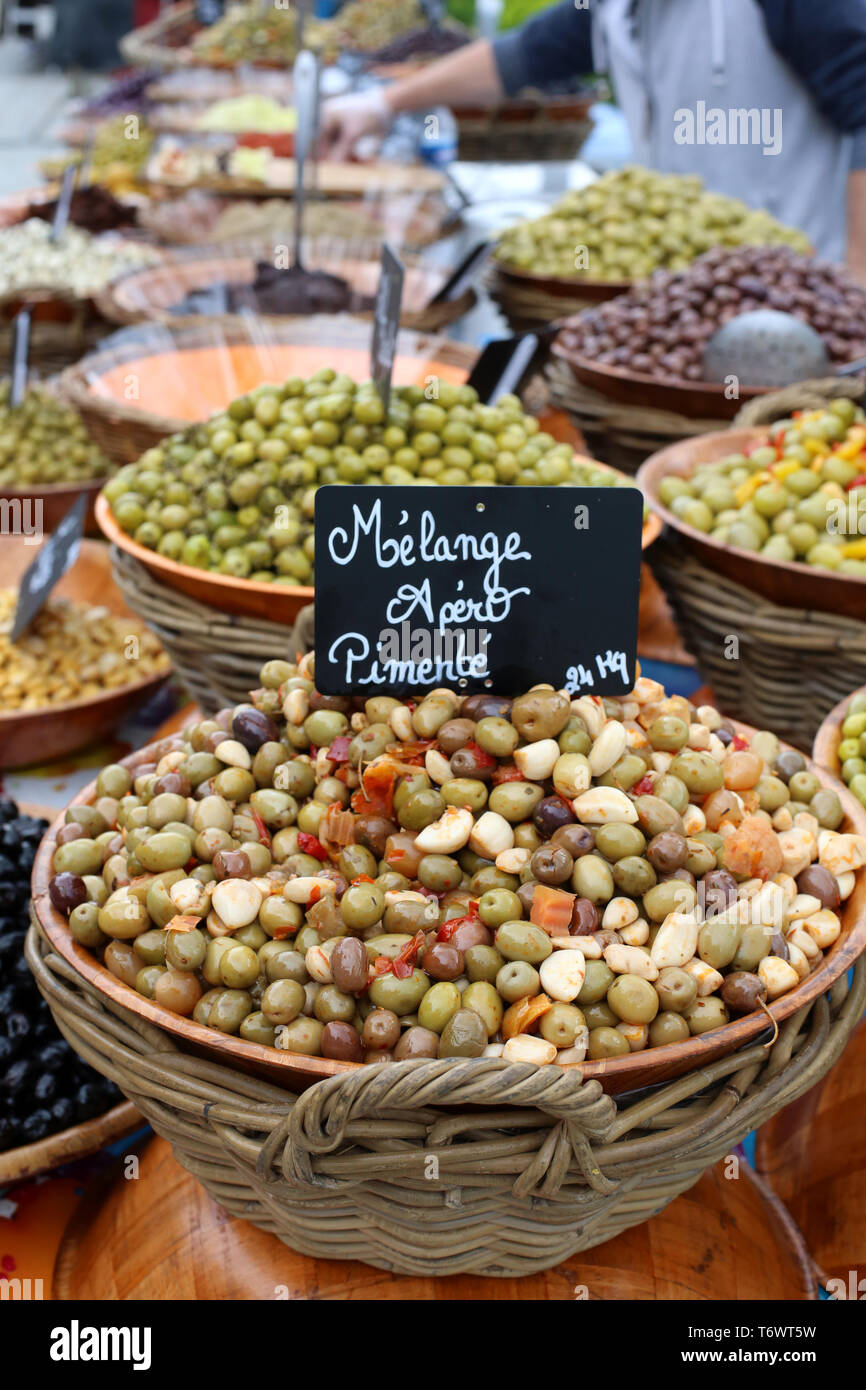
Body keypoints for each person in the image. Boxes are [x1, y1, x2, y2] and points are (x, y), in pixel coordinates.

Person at [320, 0, 866, 274]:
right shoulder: (614, 7)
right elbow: (522, 56)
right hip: (684, 281)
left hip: (805, 276)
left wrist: (855, 288)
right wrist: (381, 103)